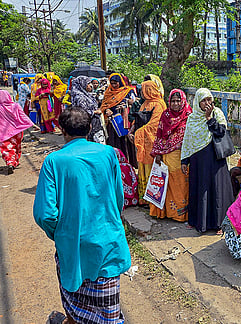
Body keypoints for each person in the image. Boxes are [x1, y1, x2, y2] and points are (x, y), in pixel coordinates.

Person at [33, 107, 131, 323]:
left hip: (73, 244)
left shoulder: (54, 161)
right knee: (107, 308)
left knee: (75, 301)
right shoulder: (108, 154)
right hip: (108, 241)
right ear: (89, 128)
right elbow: (118, 198)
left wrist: (62, 234)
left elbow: (45, 214)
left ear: (61, 130)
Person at [181, 88, 234, 233]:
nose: (207, 103)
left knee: (217, 190)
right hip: (198, 161)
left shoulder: (217, 113)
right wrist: (184, 161)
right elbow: (188, 140)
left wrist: (209, 118)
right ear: (197, 102)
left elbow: (221, 132)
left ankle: (219, 224)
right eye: (203, 100)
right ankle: (198, 222)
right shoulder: (192, 118)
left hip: (215, 159)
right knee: (199, 189)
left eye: (209, 100)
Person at [150, 89, 192, 221]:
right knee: (166, 184)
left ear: (183, 101)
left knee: (181, 185)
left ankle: (181, 215)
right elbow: (160, 134)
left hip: (183, 157)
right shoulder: (165, 115)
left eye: (178, 101)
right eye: (173, 101)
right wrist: (157, 153)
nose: (175, 103)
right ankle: (168, 213)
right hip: (166, 156)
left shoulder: (189, 115)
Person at [131, 80, 167, 205]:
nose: (141, 92)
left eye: (144, 89)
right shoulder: (145, 103)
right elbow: (138, 119)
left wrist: (138, 132)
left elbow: (155, 124)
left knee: (153, 169)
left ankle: (153, 199)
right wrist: (132, 130)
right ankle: (144, 198)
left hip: (152, 143)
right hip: (143, 144)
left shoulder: (159, 104)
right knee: (143, 168)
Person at [98, 73, 137, 167]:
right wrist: (106, 110)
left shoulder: (128, 91)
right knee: (114, 142)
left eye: (116, 83)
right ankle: (115, 163)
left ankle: (128, 164)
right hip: (112, 123)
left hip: (124, 122)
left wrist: (126, 105)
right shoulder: (108, 92)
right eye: (112, 83)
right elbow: (103, 106)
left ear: (120, 82)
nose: (114, 85)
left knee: (125, 143)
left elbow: (134, 104)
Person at [0, 90, 34, 174]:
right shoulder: (15, 105)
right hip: (17, 131)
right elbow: (23, 116)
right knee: (16, 146)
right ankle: (15, 161)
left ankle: (10, 162)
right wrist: (31, 124)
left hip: (3, 133)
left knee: (7, 148)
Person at [70, 76, 105, 144]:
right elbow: (81, 112)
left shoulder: (87, 95)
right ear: (82, 84)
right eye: (88, 83)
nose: (90, 85)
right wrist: (94, 112)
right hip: (88, 123)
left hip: (94, 123)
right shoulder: (80, 97)